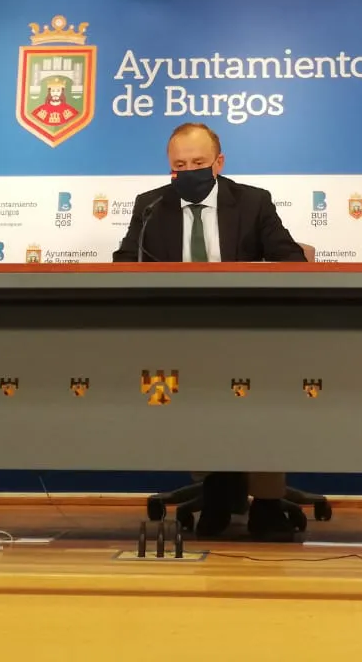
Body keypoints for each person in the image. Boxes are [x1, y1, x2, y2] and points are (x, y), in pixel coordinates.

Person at [113, 122, 307, 539]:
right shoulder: (151, 206)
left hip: (251, 331)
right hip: (181, 331)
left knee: (264, 393)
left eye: (198, 163)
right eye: (179, 165)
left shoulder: (253, 202)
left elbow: (291, 261)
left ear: (219, 163)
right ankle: (216, 488)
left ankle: (267, 503)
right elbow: (126, 263)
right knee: (187, 387)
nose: (189, 171)